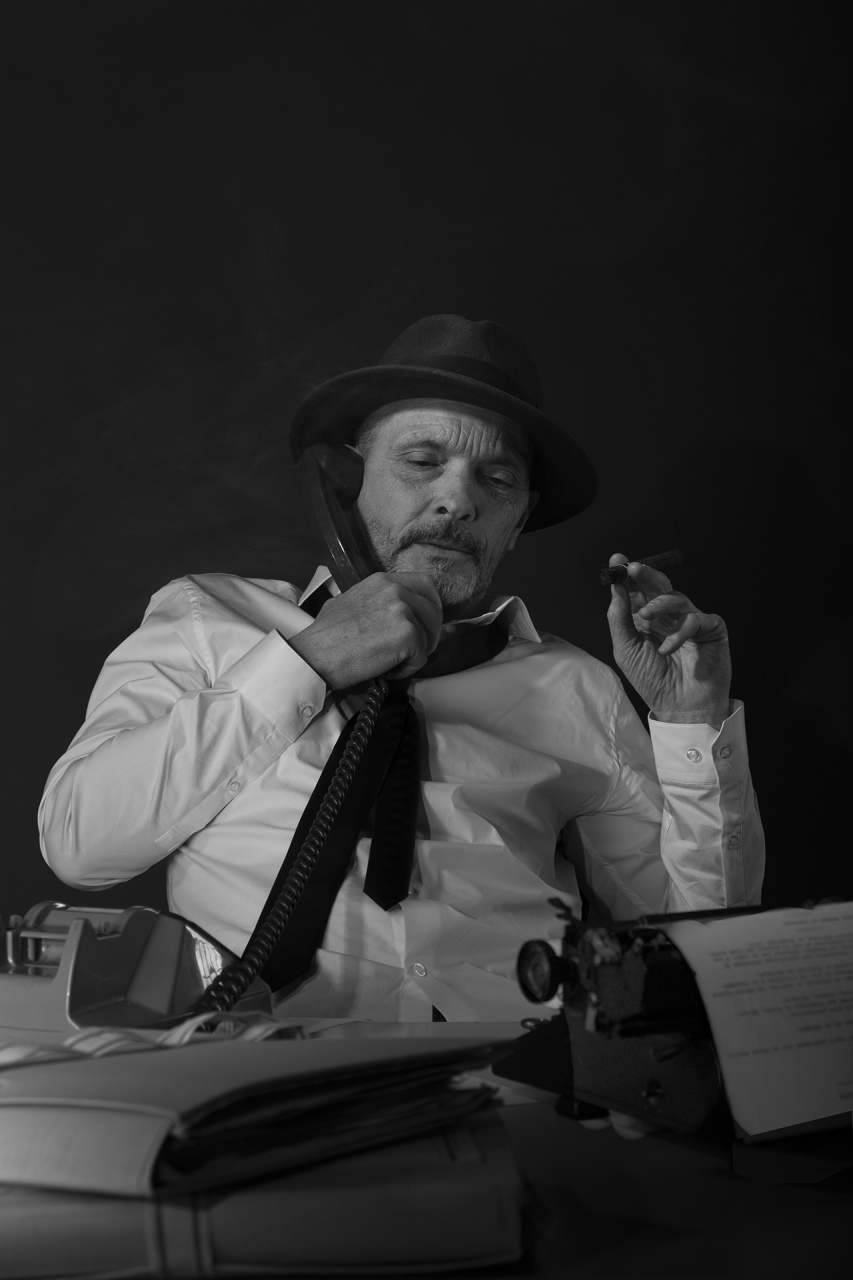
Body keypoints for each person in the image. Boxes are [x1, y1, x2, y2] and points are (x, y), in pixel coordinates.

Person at [39, 314, 764, 1023]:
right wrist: (309, 659)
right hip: (254, 1072)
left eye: (497, 478)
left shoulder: (576, 688)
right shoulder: (208, 619)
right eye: (421, 462)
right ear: (345, 482)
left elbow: (698, 947)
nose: (457, 501)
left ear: (518, 520)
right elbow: (80, 845)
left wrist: (691, 724)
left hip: (508, 1074)